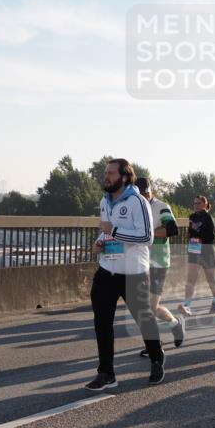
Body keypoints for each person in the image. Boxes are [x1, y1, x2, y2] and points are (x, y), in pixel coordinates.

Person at [86, 159, 165, 391]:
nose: (106, 176)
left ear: (124, 176)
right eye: (105, 173)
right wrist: (99, 243)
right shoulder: (105, 201)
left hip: (134, 273)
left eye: (111, 173)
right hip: (106, 271)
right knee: (102, 323)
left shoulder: (138, 202)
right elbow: (106, 233)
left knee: (144, 320)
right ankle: (106, 373)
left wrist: (114, 231)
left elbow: (147, 237)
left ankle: (156, 357)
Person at [136, 178, 185, 355]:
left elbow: (172, 229)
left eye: (146, 193)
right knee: (143, 308)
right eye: (141, 195)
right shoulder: (134, 207)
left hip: (158, 262)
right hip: (139, 262)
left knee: (151, 307)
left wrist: (147, 234)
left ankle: (172, 327)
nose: (144, 197)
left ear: (151, 191)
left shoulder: (161, 207)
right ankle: (161, 336)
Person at [179, 195, 215, 316]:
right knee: (190, 277)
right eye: (194, 203)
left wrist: (197, 232)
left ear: (205, 204)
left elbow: (211, 236)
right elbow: (190, 232)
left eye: (198, 203)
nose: (196, 205)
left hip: (207, 250)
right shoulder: (192, 216)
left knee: (210, 278)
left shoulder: (207, 217)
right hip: (194, 249)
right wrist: (190, 235)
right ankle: (187, 305)